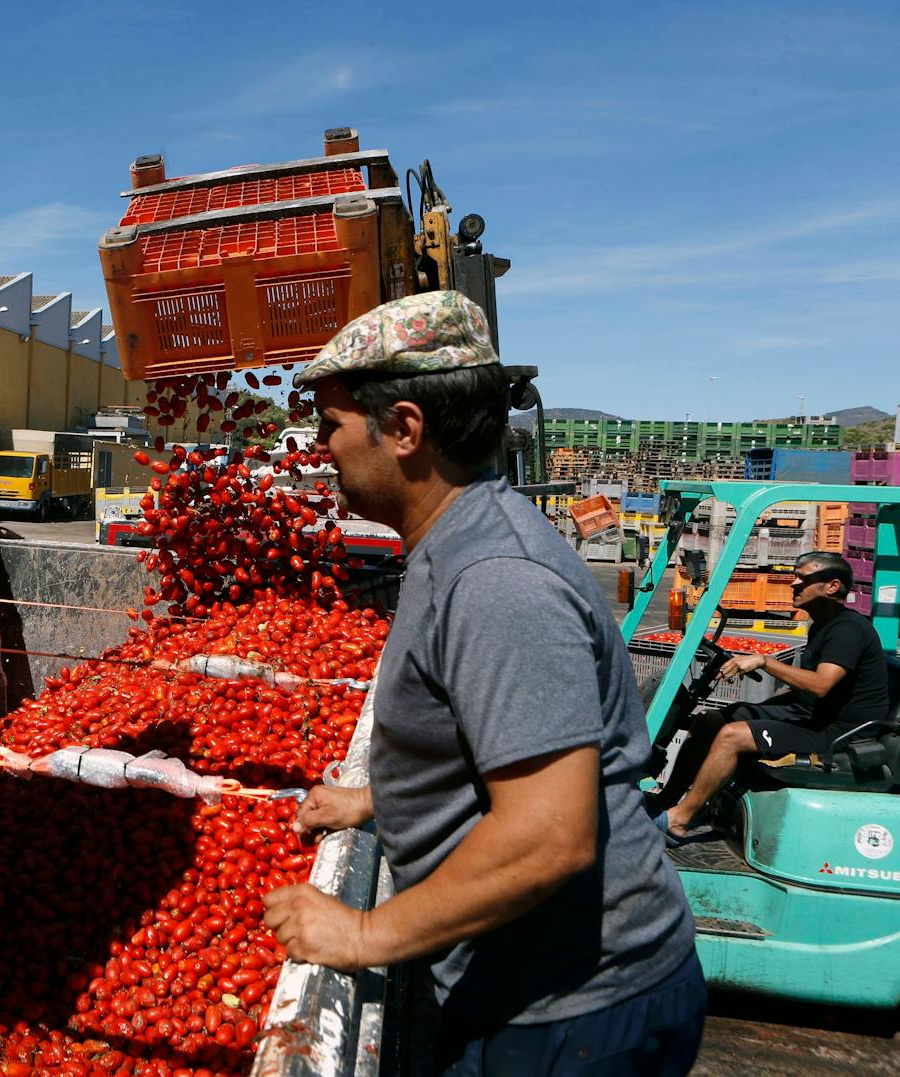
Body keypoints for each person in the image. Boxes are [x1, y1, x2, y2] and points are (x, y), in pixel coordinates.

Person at [258, 291, 704, 1075]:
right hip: (546, 995)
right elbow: (488, 735)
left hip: (573, 1017)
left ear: (404, 429)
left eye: (331, 425)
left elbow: (548, 835)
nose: (319, 447)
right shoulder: (453, 542)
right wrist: (388, 795)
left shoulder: (496, 578)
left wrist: (363, 934)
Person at [657, 551, 889, 838]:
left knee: (733, 736)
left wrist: (764, 661)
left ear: (832, 586)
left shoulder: (848, 630)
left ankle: (680, 819)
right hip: (812, 716)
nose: (793, 584)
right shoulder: (822, 627)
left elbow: (820, 686)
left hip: (837, 732)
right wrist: (756, 711)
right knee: (711, 721)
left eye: (802, 579)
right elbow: (802, 693)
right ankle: (666, 801)